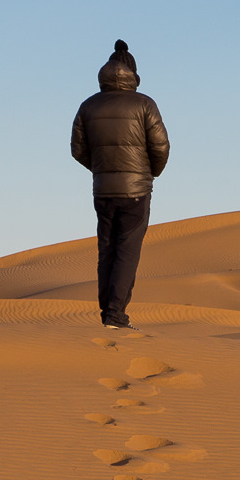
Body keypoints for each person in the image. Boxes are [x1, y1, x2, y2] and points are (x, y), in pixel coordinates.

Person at [70, 40, 169, 329]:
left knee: (107, 250)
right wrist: (150, 174)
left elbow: (78, 149)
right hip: (137, 190)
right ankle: (115, 314)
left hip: (102, 189)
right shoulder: (144, 104)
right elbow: (161, 147)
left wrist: (101, 169)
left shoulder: (88, 105)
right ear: (133, 73)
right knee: (127, 250)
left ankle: (108, 313)